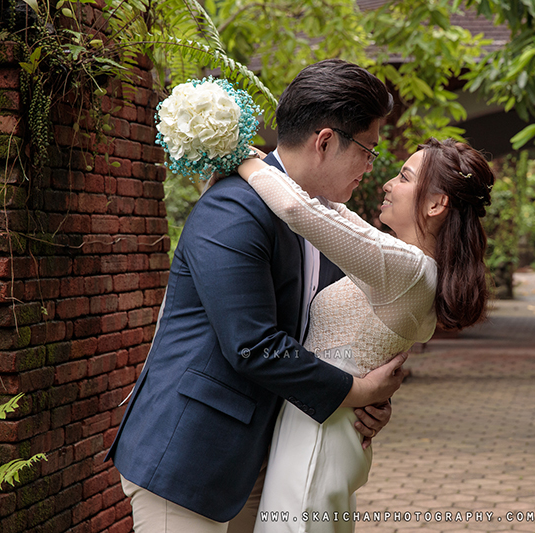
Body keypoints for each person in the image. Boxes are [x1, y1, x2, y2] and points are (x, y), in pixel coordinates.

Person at [106, 59, 406, 533]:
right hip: (190, 453)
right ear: (325, 141)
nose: (371, 167)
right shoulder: (234, 209)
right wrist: (356, 392)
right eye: (368, 149)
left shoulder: (324, 222)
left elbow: (321, 333)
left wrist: (367, 404)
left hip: (265, 453)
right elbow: (254, 344)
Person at [236, 136, 493, 533]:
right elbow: (333, 211)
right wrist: (266, 158)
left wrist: (239, 160)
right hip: (326, 423)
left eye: (404, 177)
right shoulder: (409, 265)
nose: (388, 183)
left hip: (318, 434)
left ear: (435, 204)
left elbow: (295, 208)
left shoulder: (406, 270)